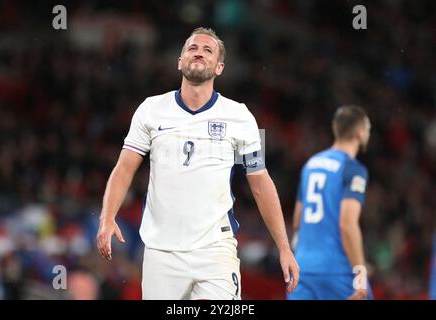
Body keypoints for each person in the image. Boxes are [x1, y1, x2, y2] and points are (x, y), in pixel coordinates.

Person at [96, 27, 299, 300]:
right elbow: (124, 169)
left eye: (208, 50)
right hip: (161, 251)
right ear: (180, 61)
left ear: (220, 67)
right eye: (192, 48)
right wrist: (107, 218)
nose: (199, 53)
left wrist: (284, 247)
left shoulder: (241, 116)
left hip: (215, 249)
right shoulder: (150, 109)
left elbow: (261, 182)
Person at [288, 105, 373, 300]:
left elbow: (296, 220)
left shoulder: (311, 164)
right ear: (360, 134)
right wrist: (360, 272)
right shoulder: (353, 169)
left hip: (303, 269)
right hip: (337, 271)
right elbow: (347, 224)